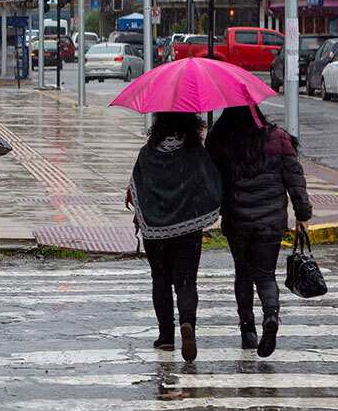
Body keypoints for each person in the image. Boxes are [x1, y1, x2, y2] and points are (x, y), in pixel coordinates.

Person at [205, 106, 312, 358]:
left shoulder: (221, 142)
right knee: (266, 275)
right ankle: (271, 316)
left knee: (243, 273)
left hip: (236, 220)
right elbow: (295, 179)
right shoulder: (279, 139)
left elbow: (211, 179)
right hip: (270, 221)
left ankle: (248, 331)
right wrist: (302, 214)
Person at [127, 112, 222, 363]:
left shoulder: (147, 153)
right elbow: (211, 184)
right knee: (186, 280)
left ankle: (166, 336)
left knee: (160, 280)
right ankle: (187, 321)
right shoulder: (195, 152)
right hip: (188, 229)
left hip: (155, 231)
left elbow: (135, 187)